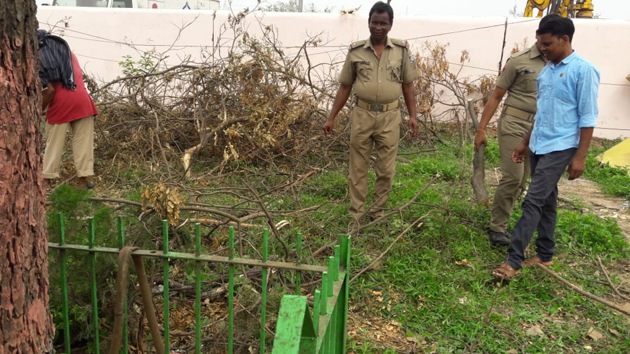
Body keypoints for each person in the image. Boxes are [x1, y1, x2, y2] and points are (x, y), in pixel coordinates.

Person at [492, 15, 600, 280]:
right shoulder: (547, 71)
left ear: (564, 39)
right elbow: (542, 112)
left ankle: (513, 262)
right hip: (540, 143)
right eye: (540, 43)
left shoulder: (583, 70)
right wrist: (525, 142)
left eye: (547, 44)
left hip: (562, 146)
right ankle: (545, 254)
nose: (542, 49)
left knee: (533, 200)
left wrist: (580, 157)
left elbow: (588, 117)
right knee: (548, 201)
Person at [322, 1, 418, 229]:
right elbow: (345, 87)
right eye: (374, 22)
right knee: (358, 167)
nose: (378, 27)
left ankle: (378, 212)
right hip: (362, 115)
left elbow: (408, 86)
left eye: (383, 23)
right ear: (368, 23)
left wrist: (413, 116)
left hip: (389, 117)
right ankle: (356, 214)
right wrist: (331, 117)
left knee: (386, 169)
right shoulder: (356, 51)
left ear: (390, 25)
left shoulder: (402, 51)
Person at [474, 40, 546, 246]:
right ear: (538, 35)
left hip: (539, 128)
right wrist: (481, 129)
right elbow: (496, 96)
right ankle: (497, 227)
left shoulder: (560, 63)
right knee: (513, 177)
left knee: (523, 179)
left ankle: (504, 220)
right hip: (514, 123)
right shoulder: (518, 60)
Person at [38, 29, 98, 189]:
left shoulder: (42, 58)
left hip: (61, 103)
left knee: (54, 142)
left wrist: (39, 110)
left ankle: (46, 179)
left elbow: (49, 90)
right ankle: (83, 180)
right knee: (83, 141)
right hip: (82, 100)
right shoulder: (67, 53)